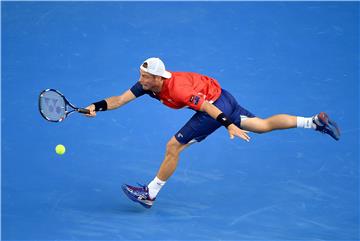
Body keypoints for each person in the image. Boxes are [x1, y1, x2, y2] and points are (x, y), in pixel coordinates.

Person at [85, 57, 340, 209]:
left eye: (144, 76)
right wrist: (96, 107)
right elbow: (119, 99)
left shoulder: (178, 89)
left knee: (173, 146)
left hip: (216, 106)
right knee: (260, 126)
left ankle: (150, 193)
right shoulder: (147, 85)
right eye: (140, 75)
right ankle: (312, 122)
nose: (140, 79)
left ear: (157, 77)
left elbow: (206, 107)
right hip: (224, 96)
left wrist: (228, 124)